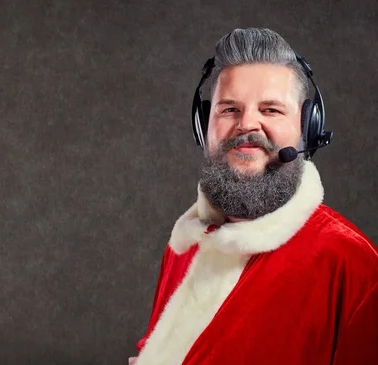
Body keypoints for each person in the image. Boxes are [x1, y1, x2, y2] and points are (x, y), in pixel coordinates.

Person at [129, 28, 378, 365]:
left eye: (271, 110)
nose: (248, 124)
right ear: (204, 127)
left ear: (307, 129)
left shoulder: (354, 266)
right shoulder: (186, 246)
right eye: (229, 109)